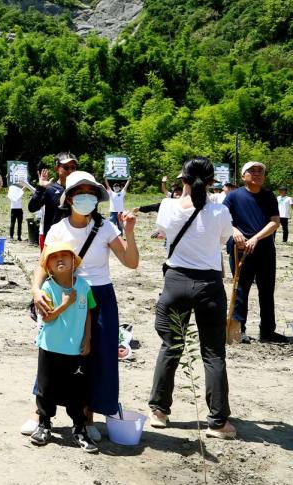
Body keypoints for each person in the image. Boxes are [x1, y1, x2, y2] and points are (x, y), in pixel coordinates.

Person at [25, 171, 139, 441]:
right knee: (53, 352)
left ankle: (87, 415)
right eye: (80, 192)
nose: (86, 197)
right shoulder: (58, 229)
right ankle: (41, 412)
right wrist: (36, 290)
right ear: (70, 198)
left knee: (96, 355)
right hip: (65, 294)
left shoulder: (106, 228)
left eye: (91, 192)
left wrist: (130, 233)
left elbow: (131, 262)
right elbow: (42, 266)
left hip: (99, 296)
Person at [148, 157, 236, 439]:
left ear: (182, 180)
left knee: (170, 346)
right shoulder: (220, 212)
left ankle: (159, 411)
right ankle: (218, 422)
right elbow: (222, 241)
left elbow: (164, 233)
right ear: (212, 181)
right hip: (209, 284)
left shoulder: (167, 207)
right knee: (213, 353)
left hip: (175, 281)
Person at [29, 242, 98, 453]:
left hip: (75, 350)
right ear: (48, 266)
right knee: (46, 388)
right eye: (54, 256)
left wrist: (87, 338)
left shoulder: (84, 286)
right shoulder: (47, 288)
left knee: (77, 391)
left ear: (73, 262)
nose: (60, 259)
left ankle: (79, 428)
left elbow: (88, 312)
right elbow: (48, 318)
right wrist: (65, 304)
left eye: (64, 256)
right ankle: (44, 424)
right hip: (50, 347)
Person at [224, 161, 286, 344]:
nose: (257, 174)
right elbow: (223, 219)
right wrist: (235, 232)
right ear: (244, 176)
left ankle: (268, 331)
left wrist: (256, 238)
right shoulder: (234, 196)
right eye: (252, 171)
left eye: (261, 171)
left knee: (267, 291)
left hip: (265, 249)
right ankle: (238, 330)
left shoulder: (268, 196)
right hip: (241, 250)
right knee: (241, 289)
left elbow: (275, 222)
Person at [28, 153, 78, 250]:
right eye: (66, 167)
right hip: (53, 240)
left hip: (74, 239)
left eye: (73, 167)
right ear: (57, 168)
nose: (70, 171)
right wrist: (41, 188)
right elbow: (32, 207)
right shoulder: (50, 189)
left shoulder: (79, 190)